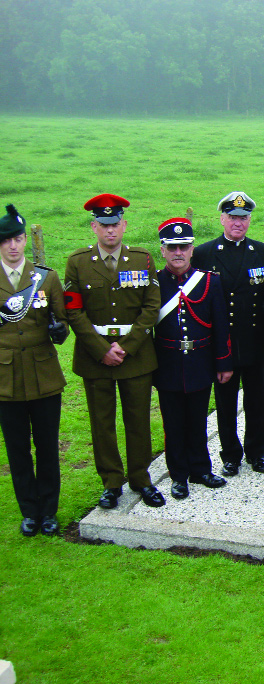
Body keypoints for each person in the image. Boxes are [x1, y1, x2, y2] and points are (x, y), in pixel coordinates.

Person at [64, 193, 164, 509]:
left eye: (115, 224)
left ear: (124, 225)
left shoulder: (142, 259)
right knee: (102, 423)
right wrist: (101, 349)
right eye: (104, 225)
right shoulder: (78, 262)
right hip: (96, 357)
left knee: (138, 420)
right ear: (94, 226)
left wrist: (128, 345)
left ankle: (140, 478)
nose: (110, 231)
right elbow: (73, 311)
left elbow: (151, 305)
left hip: (135, 354)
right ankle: (111, 483)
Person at [191, 191, 264, 476]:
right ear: (222, 219)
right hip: (223, 343)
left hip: (254, 340)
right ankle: (230, 455)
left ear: (249, 220)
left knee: (256, 401)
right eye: (233, 217)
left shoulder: (263, 252)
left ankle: (257, 452)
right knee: (226, 403)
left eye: (244, 218)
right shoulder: (204, 253)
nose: (238, 223)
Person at [0, 204, 68, 536]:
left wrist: (60, 330)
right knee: (17, 449)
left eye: (18, 239)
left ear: (25, 240)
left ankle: (48, 511)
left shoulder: (46, 277)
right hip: (5, 378)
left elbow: (62, 320)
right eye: (6, 240)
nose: (13, 246)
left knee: (46, 446)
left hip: (44, 376)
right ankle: (29, 511)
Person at [153, 217, 232, 500]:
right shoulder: (155, 284)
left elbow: (221, 324)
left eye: (183, 247)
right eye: (172, 247)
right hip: (168, 363)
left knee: (198, 420)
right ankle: (179, 475)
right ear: (162, 250)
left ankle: (201, 469)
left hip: (200, 361)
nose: (178, 253)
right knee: (173, 423)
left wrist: (223, 362)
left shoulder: (209, 282)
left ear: (191, 249)